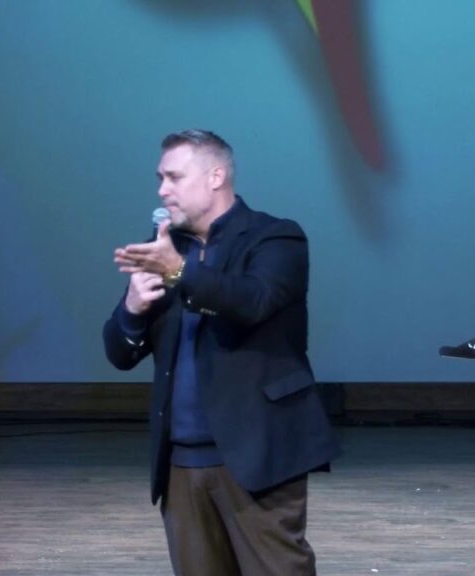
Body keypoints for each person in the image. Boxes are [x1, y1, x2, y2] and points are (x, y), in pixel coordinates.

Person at [103, 129, 341, 575]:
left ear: (216, 177)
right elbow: (120, 354)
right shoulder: (167, 252)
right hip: (180, 462)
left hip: (257, 457)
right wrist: (132, 308)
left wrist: (179, 271)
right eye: (160, 178)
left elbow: (252, 302)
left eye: (174, 177)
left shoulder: (275, 238)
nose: (162, 190)